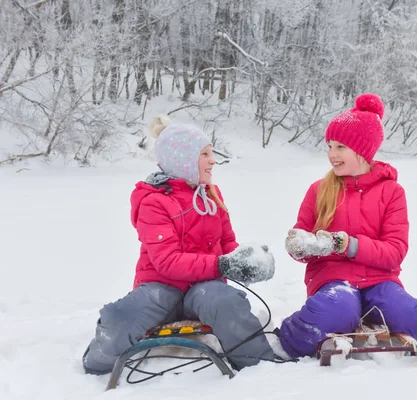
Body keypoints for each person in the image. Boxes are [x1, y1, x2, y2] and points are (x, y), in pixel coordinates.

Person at [278, 94, 417, 358]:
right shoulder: (319, 190)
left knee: (409, 315)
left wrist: (347, 245)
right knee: (334, 311)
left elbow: (395, 251)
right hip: (332, 280)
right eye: (329, 146)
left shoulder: (392, 192)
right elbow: (303, 243)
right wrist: (299, 245)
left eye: (340, 147)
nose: (332, 155)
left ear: (362, 150)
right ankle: (285, 336)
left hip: (379, 280)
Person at [82, 115, 276, 375]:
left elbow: (228, 243)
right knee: (122, 315)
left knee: (227, 302)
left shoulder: (211, 195)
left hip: (205, 289)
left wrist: (245, 261)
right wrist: (222, 264)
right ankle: (96, 364)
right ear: (183, 159)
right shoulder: (154, 202)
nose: (213, 160)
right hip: (161, 287)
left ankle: (262, 370)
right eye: (205, 154)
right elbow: (167, 261)